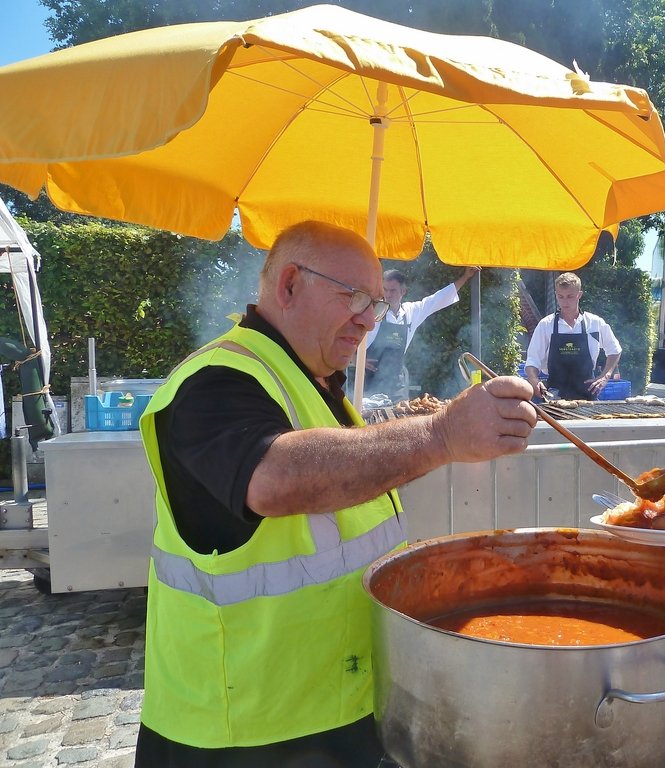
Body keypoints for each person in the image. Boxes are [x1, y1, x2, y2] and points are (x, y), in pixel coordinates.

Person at [133, 221, 536, 768]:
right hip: (242, 737)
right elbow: (273, 479)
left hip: (339, 713)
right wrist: (441, 435)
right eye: (354, 297)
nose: (369, 319)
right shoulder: (214, 380)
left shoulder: (315, 381)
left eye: (375, 303)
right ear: (289, 285)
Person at [363, 265, 480, 402]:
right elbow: (352, 333)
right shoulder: (373, 312)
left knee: (400, 414)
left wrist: (465, 277)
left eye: (393, 290)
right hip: (370, 381)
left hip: (397, 385)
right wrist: (355, 359)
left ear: (403, 291)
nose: (388, 295)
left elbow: (437, 299)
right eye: (385, 290)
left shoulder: (411, 311)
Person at [524, 272, 622, 401]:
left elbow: (614, 349)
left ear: (579, 295)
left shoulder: (595, 323)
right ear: (556, 295)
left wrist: (605, 376)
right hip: (554, 396)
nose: (565, 302)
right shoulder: (546, 325)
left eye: (570, 296)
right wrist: (533, 379)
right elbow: (532, 360)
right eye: (561, 297)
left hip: (587, 396)